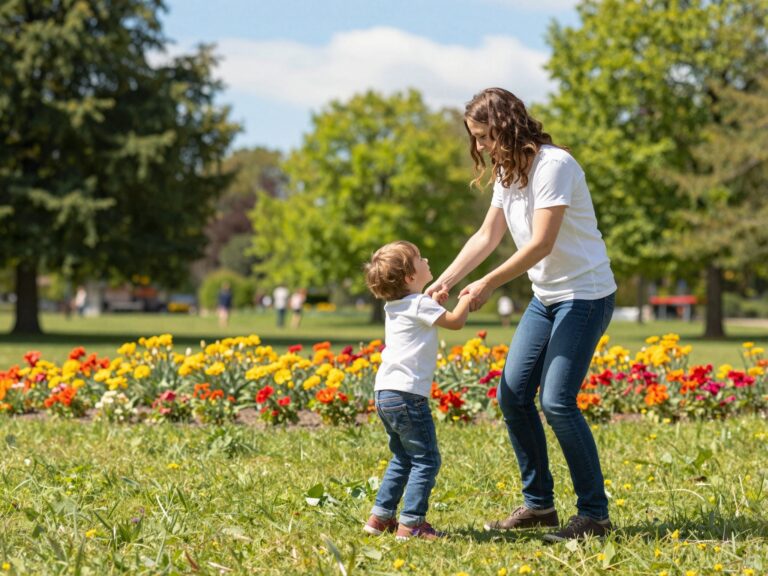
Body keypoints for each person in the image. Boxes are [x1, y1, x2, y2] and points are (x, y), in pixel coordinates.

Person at [426, 88, 617, 542]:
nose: (480, 146)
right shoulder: (507, 171)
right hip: (545, 297)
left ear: (507, 127)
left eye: (485, 136)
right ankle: (540, 506)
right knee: (512, 396)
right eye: (475, 138)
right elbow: (487, 235)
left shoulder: (554, 165)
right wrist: (445, 281)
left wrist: (487, 283)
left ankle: (594, 515)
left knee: (557, 402)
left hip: (585, 295)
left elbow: (541, 244)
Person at [363, 240, 471, 541]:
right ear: (411, 276)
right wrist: (467, 297)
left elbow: (422, 309)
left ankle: (380, 517)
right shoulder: (421, 305)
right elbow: (456, 321)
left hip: (385, 392)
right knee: (426, 460)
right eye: (420, 259)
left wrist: (432, 299)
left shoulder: (397, 305)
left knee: (402, 457)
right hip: (408, 395)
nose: (426, 260)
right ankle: (411, 524)